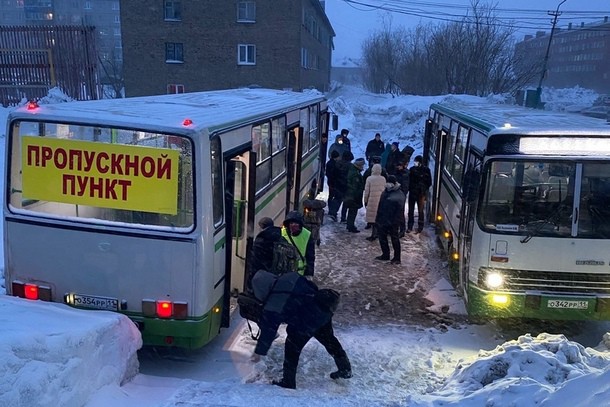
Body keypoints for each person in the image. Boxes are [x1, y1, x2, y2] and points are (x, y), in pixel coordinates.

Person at [251, 270, 352, 389]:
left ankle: (288, 381)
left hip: (305, 322)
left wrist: (259, 352)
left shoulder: (274, 303)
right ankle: (345, 369)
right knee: (329, 341)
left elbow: (269, 330)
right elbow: (312, 286)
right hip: (323, 309)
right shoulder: (290, 276)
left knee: (292, 348)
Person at [374, 175, 405, 264]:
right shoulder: (386, 192)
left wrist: (396, 222)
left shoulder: (399, 194)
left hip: (393, 221)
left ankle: (397, 258)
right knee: (382, 238)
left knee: (394, 239)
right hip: (383, 220)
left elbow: (399, 211)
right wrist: (378, 218)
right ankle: (385, 254)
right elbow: (380, 206)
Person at [281, 211, 315, 276]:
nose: (293, 225)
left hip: (300, 274)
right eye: (291, 223)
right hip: (284, 272)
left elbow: (310, 256)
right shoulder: (281, 233)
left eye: (296, 223)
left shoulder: (307, 235)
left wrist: (309, 273)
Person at [407, 155, 432, 234]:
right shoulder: (412, 170)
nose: (415, 163)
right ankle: (410, 226)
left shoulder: (426, 170)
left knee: (420, 210)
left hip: (421, 193)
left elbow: (429, 182)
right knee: (410, 210)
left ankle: (420, 226)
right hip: (412, 192)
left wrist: (423, 188)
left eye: (417, 162)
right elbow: (408, 180)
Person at [363, 163, 386, 241]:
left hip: (372, 200)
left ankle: (373, 235)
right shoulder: (383, 179)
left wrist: (365, 201)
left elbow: (367, 192)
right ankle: (378, 234)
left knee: (373, 218)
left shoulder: (369, 179)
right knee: (378, 218)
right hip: (380, 201)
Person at [343, 157, 365, 233]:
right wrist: (357, 196)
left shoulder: (353, 171)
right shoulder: (355, 174)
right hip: (353, 197)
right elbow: (355, 188)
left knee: (351, 211)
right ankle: (350, 226)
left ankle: (350, 225)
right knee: (353, 212)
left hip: (350, 196)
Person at [394, 162, 410, 237]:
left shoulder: (405, 174)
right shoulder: (396, 173)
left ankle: (402, 230)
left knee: (400, 213)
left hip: (400, 196)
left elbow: (405, 187)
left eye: (399, 166)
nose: (398, 167)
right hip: (395, 195)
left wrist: (401, 194)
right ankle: (396, 229)